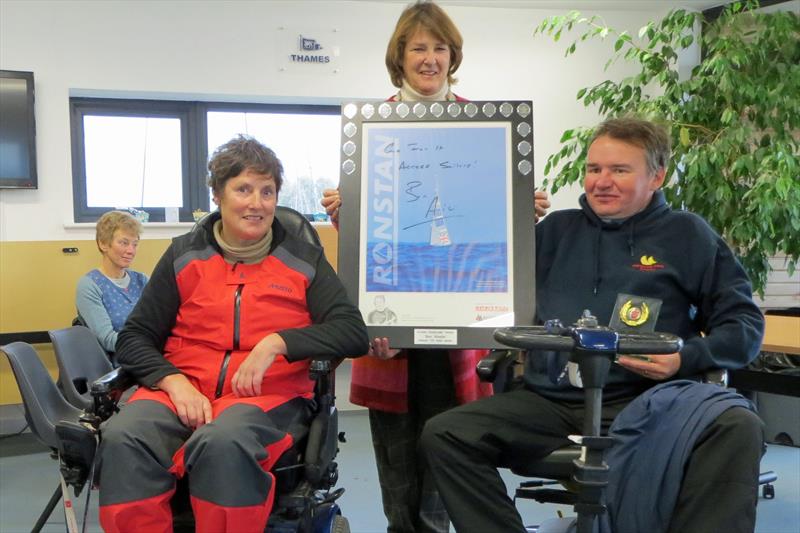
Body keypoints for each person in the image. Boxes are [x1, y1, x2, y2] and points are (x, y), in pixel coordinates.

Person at [421, 117, 766, 533]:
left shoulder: (688, 235)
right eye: (594, 169)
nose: (602, 181)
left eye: (620, 170)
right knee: (445, 434)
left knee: (737, 425)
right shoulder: (554, 231)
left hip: (648, 401)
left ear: (656, 176)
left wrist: (685, 359)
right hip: (551, 402)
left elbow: (744, 324)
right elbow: (473, 283)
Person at [322, 2, 550, 531]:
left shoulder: (489, 129)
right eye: (417, 47)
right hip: (393, 335)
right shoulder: (369, 131)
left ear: (453, 55)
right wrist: (345, 216)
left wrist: (522, 211)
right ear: (398, 57)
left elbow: (490, 226)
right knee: (398, 469)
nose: (429, 58)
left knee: (450, 463)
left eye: (439, 47)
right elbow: (374, 235)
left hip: (462, 331)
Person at [97, 135, 369, 532]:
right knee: (124, 435)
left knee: (224, 441)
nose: (256, 203)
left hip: (266, 397)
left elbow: (351, 332)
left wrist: (278, 343)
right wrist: (172, 382)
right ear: (218, 195)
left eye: (267, 191)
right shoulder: (183, 255)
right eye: (243, 189)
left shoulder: (303, 259)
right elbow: (135, 337)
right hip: (183, 389)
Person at [76, 210, 148, 354]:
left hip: (150, 354)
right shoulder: (90, 285)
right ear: (103, 244)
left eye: (135, 244)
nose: (131, 250)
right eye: (124, 243)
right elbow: (108, 340)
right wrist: (150, 345)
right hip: (121, 365)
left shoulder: (143, 280)